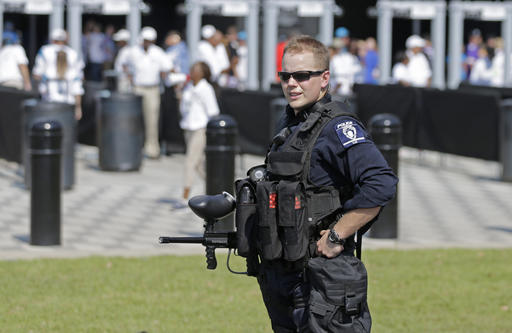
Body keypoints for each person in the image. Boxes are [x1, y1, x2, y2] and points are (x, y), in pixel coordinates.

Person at [250, 35, 397, 332]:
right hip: (284, 275)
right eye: (285, 75)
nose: (292, 83)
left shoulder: (337, 127)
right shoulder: (291, 123)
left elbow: (381, 183)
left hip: (321, 279)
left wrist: (336, 235)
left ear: (324, 78)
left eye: (302, 76)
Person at [121, 26, 172, 159]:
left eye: (150, 40)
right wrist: (129, 77)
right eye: (146, 40)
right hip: (137, 88)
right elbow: (123, 64)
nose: (147, 42)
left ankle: (152, 149)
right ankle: (133, 147)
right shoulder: (133, 51)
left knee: (152, 120)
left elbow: (167, 67)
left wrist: (162, 77)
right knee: (134, 119)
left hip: (152, 89)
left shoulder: (158, 52)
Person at [179, 62, 220, 200]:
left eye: (196, 70)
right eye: (191, 69)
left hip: (200, 129)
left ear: (203, 73)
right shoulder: (189, 87)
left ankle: (185, 196)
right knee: (199, 164)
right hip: (188, 127)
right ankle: (217, 187)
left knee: (190, 162)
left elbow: (213, 111)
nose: (192, 72)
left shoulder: (206, 88)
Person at [32, 28, 84, 120]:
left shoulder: (45, 51)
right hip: (69, 103)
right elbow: (78, 83)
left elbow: (36, 74)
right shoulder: (74, 54)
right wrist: (78, 107)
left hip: (49, 103)